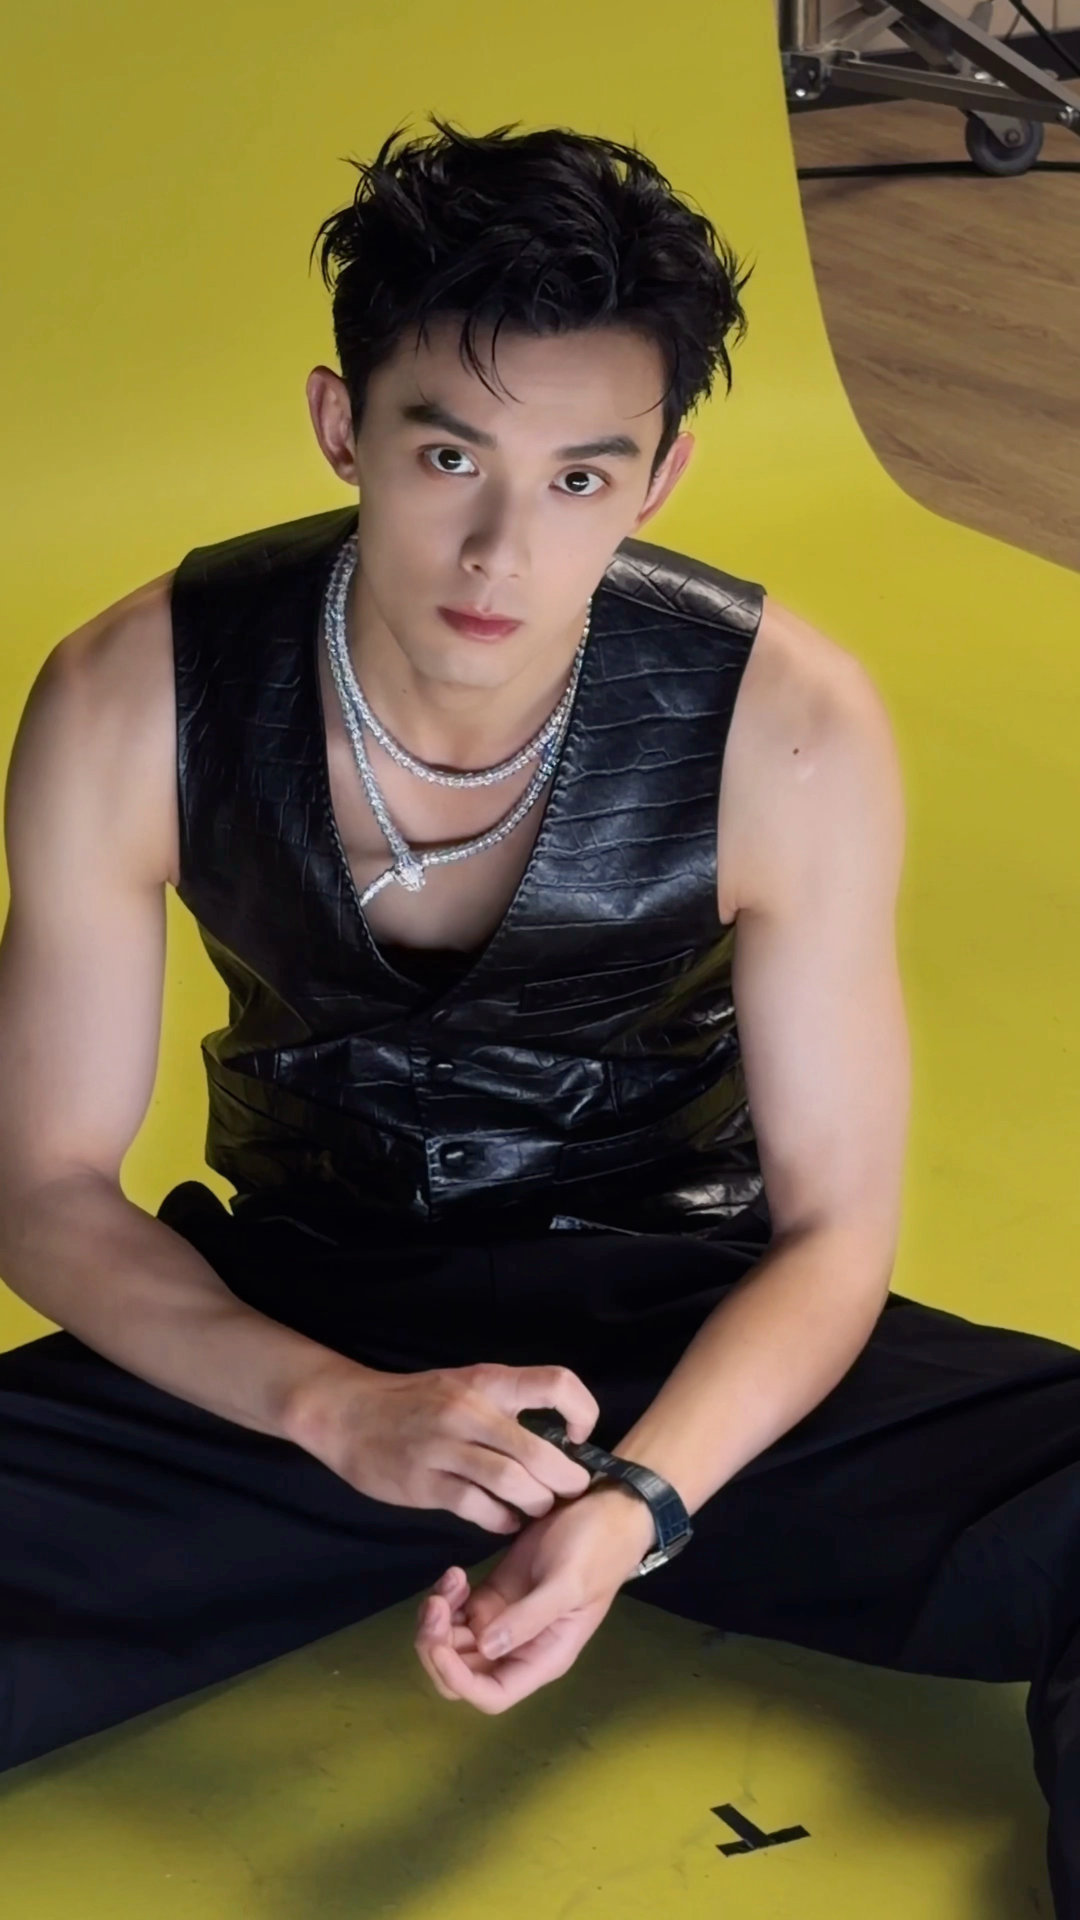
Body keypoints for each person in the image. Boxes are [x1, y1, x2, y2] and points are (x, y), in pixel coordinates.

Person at [0, 113, 1076, 1910]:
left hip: (680, 1331)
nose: (501, 551)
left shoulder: (789, 723)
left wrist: (638, 1504)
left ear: (659, 477)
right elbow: (41, 1183)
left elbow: (835, 1232)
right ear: (342, 426)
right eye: (449, 455)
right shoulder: (135, 692)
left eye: (582, 476)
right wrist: (338, 1411)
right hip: (296, 1331)